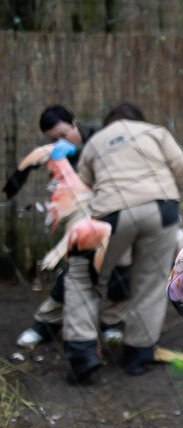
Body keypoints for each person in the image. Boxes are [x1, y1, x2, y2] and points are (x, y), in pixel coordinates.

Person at [63, 102, 183, 383]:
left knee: (84, 276)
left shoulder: (96, 139)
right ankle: (137, 355)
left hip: (112, 212)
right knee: (151, 281)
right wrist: (171, 192)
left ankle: (82, 353)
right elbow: (181, 164)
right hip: (162, 208)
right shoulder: (155, 132)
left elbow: (83, 183)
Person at [11, 105, 128, 349]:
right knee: (76, 264)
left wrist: (75, 152)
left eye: (63, 135)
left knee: (121, 262)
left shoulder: (102, 132)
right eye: (53, 139)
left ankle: (113, 322)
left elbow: (108, 154)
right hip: (84, 210)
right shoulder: (57, 152)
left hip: (118, 204)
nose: (59, 142)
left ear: (75, 123)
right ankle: (46, 323)